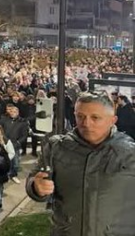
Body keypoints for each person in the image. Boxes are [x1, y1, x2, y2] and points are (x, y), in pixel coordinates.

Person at [26, 92, 135, 236]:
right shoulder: (56, 147)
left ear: (112, 120)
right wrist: (35, 186)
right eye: (80, 116)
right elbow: (34, 180)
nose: (86, 123)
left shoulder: (130, 153)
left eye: (95, 117)